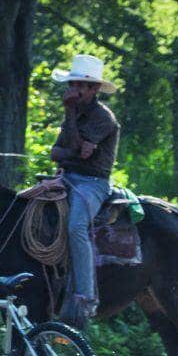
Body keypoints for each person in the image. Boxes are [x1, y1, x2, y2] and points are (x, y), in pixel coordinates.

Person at [47, 53, 119, 326]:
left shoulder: (103, 118)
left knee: (77, 226)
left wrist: (69, 149)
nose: (74, 90)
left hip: (93, 183)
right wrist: (69, 152)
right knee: (27, 204)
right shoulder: (75, 113)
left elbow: (81, 152)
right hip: (68, 176)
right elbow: (57, 152)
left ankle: (86, 297)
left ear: (94, 89)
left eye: (80, 85)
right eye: (73, 84)